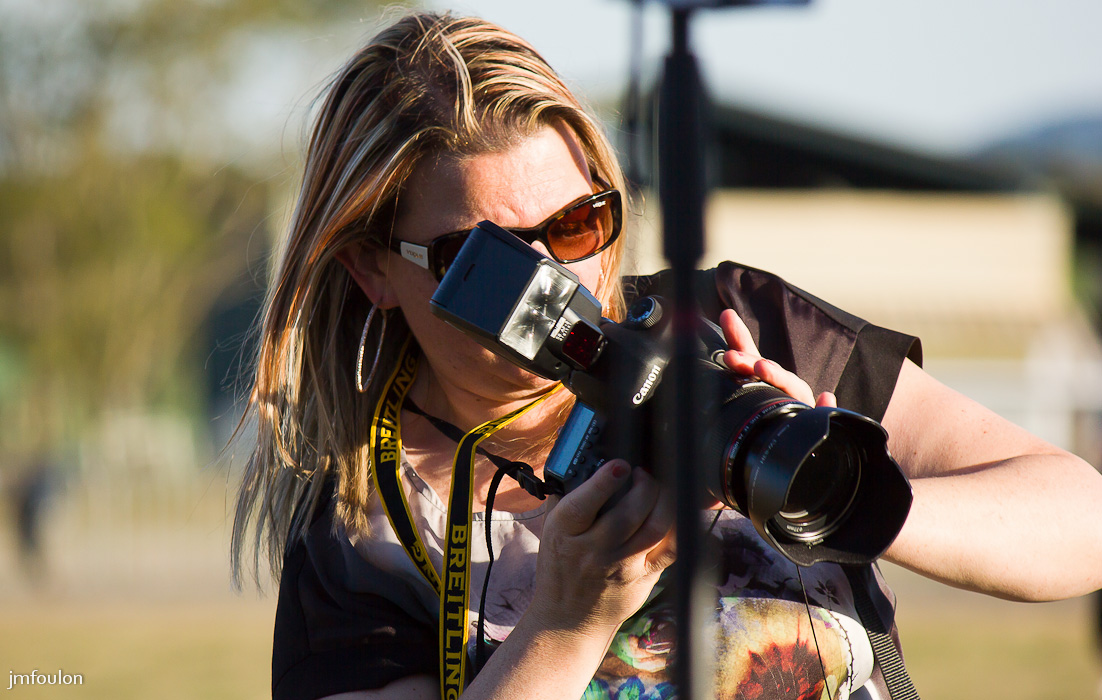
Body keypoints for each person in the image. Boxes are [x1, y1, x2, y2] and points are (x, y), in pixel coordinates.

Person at [231, 11, 1102, 700]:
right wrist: (565, 625)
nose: (553, 282)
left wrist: (836, 493)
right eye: (487, 266)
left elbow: (1082, 524)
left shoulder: (735, 327)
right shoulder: (362, 532)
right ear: (372, 269)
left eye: (577, 226)